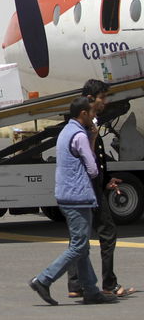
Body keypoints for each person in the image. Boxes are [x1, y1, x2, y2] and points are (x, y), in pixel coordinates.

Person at [28, 97, 117, 306]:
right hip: (78, 196)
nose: (95, 116)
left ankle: (92, 291)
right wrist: (93, 139)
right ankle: (43, 279)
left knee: (82, 247)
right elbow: (93, 169)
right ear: (83, 114)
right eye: (92, 113)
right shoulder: (79, 136)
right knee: (78, 246)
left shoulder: (66, 132)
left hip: (66, 195)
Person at [67, 79, 135, 298]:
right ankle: (109, 284)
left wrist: (104, 180)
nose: (105, 102)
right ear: (90, 99)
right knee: (106, 233)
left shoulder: (87, 120)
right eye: (102, 98)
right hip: (88, 188)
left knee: (80, 237)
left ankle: (76, 284)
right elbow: (87, 156)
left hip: (91, 185)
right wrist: (96, 181)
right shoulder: (86, 123)